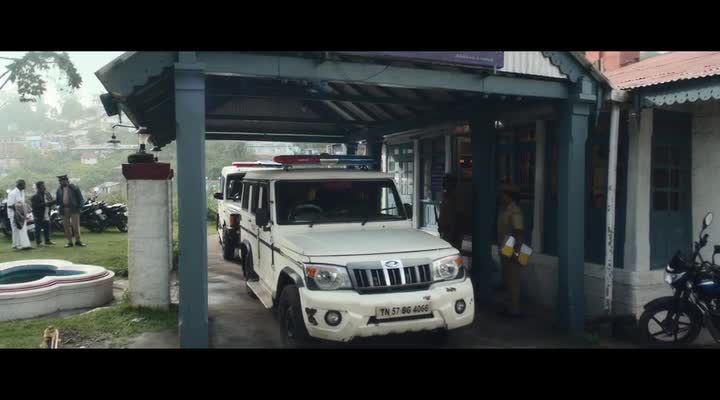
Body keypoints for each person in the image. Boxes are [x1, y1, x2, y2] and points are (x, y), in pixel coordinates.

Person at [496, 183, 525, 317]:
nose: (501, 197)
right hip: (505, 245)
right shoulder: (505, 210)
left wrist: (517, 252)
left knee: (513, 280)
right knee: (506, 278)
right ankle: (508, 307)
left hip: (512, 246)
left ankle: (514, 310)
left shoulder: (514, 211)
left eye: (503, 194)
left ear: (509, 196)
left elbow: (518, 232)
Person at [55, 174, 86, 248]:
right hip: (64, 209)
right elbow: (58, 200)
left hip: (74, 209)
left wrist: (80, 208)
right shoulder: (59, 190)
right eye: (60, 181)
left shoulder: (74, 188)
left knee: (76, 226)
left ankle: (78, 241)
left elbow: (80, 199)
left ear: (67, 180)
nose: (61, 182)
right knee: (66, 227)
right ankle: (69, 242)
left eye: (63, 181)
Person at [438, 173, 463, 251]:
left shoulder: (456, 197)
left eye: (446, 182)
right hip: (445, 230)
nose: (443, 185)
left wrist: (453, 232)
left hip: (452, 231)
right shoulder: (445, 196)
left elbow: (457, 216)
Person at [7, 179, 33, 250]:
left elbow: (22, 203)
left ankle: (25, 245)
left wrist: (26, 208)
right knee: (16, 230)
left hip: (21, 215)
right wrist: (19, 210)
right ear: (20, 185)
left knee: (23, 229)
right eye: (24, 184)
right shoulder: (12, 193)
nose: (25, 186)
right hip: (14, 215)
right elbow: (10, 205)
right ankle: (16, 245)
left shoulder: (22, 192)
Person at [30, 181, 55, 246]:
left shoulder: (47, 194)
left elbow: (50, 202)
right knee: (38, 229)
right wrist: (46, 204)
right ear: (38, 187)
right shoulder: (35, 196)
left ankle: (47, 240)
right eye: (42, 186)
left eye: (44, 185)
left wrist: (54, 201)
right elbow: (35, 206)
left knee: (47, 228)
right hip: (38, 215)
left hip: (46, 214)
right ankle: (38, 242)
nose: (44, 187)